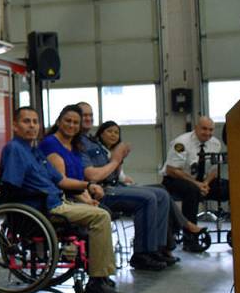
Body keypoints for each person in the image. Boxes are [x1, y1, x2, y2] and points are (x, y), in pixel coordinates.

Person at [1, 107, 129, 293]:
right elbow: (12, 187)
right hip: (42, 207)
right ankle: (97, 283)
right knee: (101, 216)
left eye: (35, 122)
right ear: (15, 126)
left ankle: (100, 276)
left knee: (99, 211)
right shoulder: (14, 149)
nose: (32, 126)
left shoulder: (34, 151)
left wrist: (88, 185)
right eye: (27, 122)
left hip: (55, 200)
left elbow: (61, 180)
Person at [73, 104, 175, 270]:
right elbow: (93, 176)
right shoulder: (79, 144)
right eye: (84, 115)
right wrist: (115, 159)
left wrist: (119, 160)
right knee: (148, 198)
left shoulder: (93, 142)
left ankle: (157, 248)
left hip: (113, 184)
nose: (88, 118)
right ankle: (142, 254)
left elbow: (112, 171)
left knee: (161, 194)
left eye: (90, 115)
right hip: (98, 190)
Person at [161, 116, 229, 252]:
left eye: (211, 130)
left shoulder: (215, 143)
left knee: (230, 187)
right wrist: (198, 185)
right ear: (196, 128)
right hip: (175, 179)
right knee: (192, 191)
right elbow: (172, 169)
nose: (208, 133)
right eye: (204, 129)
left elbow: (214, 170)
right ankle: (190, 239)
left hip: (202, 181)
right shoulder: (181, 143)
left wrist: (205, 183)